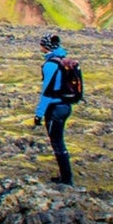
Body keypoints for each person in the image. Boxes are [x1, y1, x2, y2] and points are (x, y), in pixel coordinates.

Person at [33, 31, 75, 187]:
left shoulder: (51, 65)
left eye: (41, 44)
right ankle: (65, 177)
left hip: (55, 108)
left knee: (57, 143)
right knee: (58, 141)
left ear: (45, 46)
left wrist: (39, 114)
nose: (40, 46)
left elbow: (47, 92)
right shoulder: (63, 60)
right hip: (65, 106)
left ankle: (66, 179)